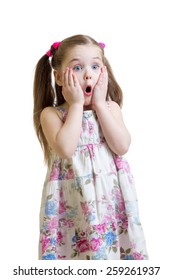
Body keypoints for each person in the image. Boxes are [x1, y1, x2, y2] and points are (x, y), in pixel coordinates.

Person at [33, 34, 148, 260]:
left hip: (110, 204)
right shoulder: (53, 114)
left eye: (95, 66)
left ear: (103, 72)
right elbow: (66, 148)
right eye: (77, 67)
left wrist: (99, 105)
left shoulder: (110, 108)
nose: (88, 74)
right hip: (73, 204)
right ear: (58, 77)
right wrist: (76, 104)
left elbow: (122, 145)